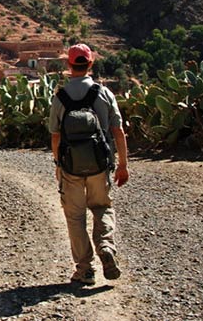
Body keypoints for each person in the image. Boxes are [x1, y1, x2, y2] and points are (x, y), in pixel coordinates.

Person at [49, 43, 129, 285]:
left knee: (75, 217)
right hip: (100, 164)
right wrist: (123, 164)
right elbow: (118, 130)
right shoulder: (104, 93)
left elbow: (55, 135)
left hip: (71, 166)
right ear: (91, 64)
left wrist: (58, 165)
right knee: (102, 207)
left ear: (68, 65)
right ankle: (105, 246)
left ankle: (85, 269)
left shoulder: (60, 96)